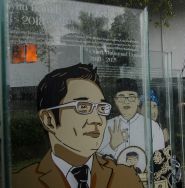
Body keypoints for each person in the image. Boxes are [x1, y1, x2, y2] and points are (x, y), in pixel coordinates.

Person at [12, 64, 143, 188]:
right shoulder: (21, 182)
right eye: (83, 107)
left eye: (101, 108)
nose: (97, 119)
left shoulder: (125, 177)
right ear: (48, 119)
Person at [99, 78, 165, 169]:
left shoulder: (152, 126)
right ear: (115, 101)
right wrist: (112, 145)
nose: (126, 101)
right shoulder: (106, 125)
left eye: (131, 96)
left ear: (138, 101)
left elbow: (159, 159)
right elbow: (97, 160)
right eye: (121, 97)